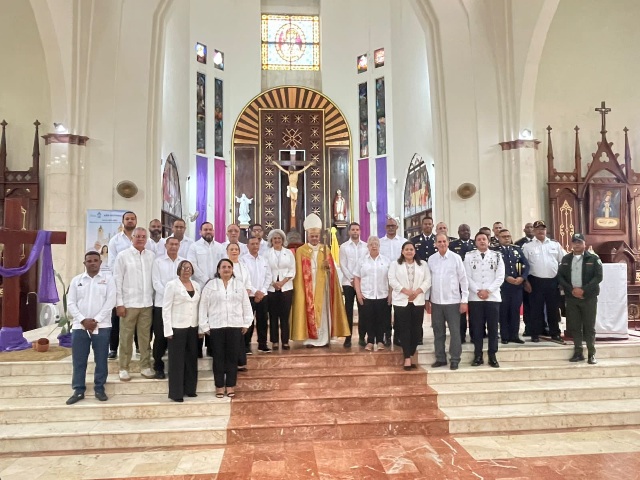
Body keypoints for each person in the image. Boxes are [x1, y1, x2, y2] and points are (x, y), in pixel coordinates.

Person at [290, 214, 350, 347]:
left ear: (319, 236)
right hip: (307, 287)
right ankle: (309, 340)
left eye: (316, 236)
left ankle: (324, 338)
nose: (314, 238)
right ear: (308, 236)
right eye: (312, 236)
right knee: (308, 310)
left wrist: (328, 267)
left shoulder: (325, 249)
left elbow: (332, 271)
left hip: (322, 287)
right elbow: (298, 273)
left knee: (322, 312)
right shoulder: (301, 251)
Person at [66, 251, 116, 405]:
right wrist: (83, 320)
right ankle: (78, 390)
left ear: (100, 263)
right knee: (79, 360)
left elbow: (111, 301)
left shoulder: (108, 280)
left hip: (102, 325)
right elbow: (71, 303)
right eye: (89, 261)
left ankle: (99, 388)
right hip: (79, 326)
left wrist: (96, 320)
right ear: (85, 263)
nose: (92, 263)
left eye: (95, 260)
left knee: (101, 359)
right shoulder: (76, 281)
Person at [200, 259, 253, 398]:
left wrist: (246, 323)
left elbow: (246, 305)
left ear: (232, 270)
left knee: (232, 358)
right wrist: (204, 325)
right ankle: (219, 386)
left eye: (229, 267)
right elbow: (203, 306)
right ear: (218, 270)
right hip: (216, 327)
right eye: (223, 267)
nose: (226, 269)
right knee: (218, 357)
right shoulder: (210, 285)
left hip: (235, 326)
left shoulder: (239, 285)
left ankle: (230, 386)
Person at [113, 227, 155, 381]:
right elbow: (117, 280)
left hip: (146, 303)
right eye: (138, 236)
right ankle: (124, 367)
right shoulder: (122, 256)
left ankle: (145, 366)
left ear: (146, 239)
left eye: (143, 236)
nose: (141, 239)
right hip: (128, 304)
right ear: (132, 238)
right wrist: (119, 303)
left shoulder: (151, 256)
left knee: (145, 338)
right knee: (126, 337)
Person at [557, 233, 603, 364]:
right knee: (575, 326)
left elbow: (598, 277)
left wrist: (584, 290)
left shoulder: (593, 258)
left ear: (584, 244)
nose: (577, 244)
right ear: (571, 244)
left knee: (589, 326)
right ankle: (578, 352)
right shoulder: (566, 259)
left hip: (588, 297)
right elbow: (560, 276)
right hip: (572, 298)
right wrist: (572, 290)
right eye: (575, 242)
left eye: (579, 242)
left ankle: (591, 353)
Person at [427, 233, 469, 370]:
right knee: (438, 332)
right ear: (435, 244)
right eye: (439, 242)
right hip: (436, 302)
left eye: (444, 241)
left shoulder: (456, 258)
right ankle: (440, 358)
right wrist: (427, 299)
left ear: (448, 242)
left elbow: (463, 280)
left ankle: (455, 359)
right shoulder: (431, 259)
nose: (442, 244)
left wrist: (464, 300)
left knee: (455, 332)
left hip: (453, 301)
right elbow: (428, 281)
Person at [163, 260, 202, 402]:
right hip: (177, 327)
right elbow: (166, 308)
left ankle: (190, 389)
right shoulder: (172, 285)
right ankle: (176, 393)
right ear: (179, 270)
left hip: (193, 326)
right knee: (176, 361)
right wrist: (168, 329)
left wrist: (201, 327)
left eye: (189, 268)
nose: (187, 270)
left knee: (191, 359)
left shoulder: (196, 285)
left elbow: (199, 307)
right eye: (184, 268)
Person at [464, 231, 505, 368]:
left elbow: (500, 276)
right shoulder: (469, 256)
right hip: (475, 297)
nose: (482, 241)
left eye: (484, 239)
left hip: (492, 297)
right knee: (477, 328)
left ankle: (492, 355)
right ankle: (478, 355)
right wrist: (478, 290)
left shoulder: (497, 256)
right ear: (475, 242)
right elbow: (466, 276)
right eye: (479, 239)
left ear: (488, 241)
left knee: (493, 328)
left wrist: (488, 291)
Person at [389, 242, 431, 369]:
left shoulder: (423, 264)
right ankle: (407, 357)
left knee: (416, 330)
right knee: (404, 329)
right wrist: (406, 291)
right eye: (406, 249)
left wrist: (417, 292)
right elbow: (392, 280)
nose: (409, 251)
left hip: (418, 300)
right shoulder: (395, 264)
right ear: (402, 251)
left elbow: (428, 280)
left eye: (411, 249)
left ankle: (411, 353)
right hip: (401, 301)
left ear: (414, 251)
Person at [523, 220, 566, 344]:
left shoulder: (554, 245)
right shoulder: (527, 246)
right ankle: (535, 333)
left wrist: (562, 279)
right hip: (535, 281)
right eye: (538, 229)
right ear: (534, 231)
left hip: (552, 281)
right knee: (535, 309)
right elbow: (524, 265)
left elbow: (564, 260)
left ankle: (555, 333)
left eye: (543, 229)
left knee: (553, 309)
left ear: (546, 231)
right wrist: (525, 281)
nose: (540, 231)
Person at [151, 237, 184, 379]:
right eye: (171, 244)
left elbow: (186, 281)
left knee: (176, 336)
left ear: (179, 246)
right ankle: (158, 366)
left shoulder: (183, 262)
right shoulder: (158, 262)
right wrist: (170, 295)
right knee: (160, 336)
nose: (174, 247)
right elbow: (156, 282)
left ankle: (174, 368)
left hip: (178, 306)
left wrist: (177, 296)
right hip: (161, 304)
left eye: (176, 244)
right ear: (166, 246)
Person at [107, 211, 138, 359]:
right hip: (120, 283)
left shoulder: (141, 238)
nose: (130, 221)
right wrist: (120, 279)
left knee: (138, 317)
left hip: (138, 284)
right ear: (123, 221)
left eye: (132, 219)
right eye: (127, 219)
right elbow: (112, 263)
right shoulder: (115, 241)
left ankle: (139, 348)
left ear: (136, 221)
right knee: (116, 318)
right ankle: (113, 348)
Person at [354, 236, 391, 351]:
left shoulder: (386, 261)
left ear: (379, 246)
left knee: (381, 319)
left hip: (382, 294)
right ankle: (370, 341)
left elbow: (391, 279)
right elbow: (356, 278)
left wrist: (390, 294)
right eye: (371, 244)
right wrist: (358, 293)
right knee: (368, 319)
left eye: (376, 244)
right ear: (368, 246)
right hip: (367, 295)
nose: (374, 246)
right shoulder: (362, 261)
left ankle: (380, 341)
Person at [496, 229, 529, 345]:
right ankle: (505, 336)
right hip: (503, 286)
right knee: (504, 311)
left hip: (517, 286)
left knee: (515, 310)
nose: (506, 238)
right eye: (503, 236)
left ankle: (514, 335)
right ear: (498, 238)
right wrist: (506, 277)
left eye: (508, 236)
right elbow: (494, 268)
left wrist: (522, 277)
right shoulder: (495, 251)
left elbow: (526, 265)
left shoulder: (517, 249)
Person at [265, 229, 296, 350]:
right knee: (273, 316)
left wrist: (282, 282)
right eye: (275, 238)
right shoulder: (266, 253)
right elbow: (265, 270)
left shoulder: (288, 253)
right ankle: (274, 341)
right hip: (271, 288)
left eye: (279, 238)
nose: (277, 240)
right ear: (271, 240)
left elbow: (292, 270)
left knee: (284, 316)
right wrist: (273, 283)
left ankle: (285, 341)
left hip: (286, 288)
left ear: (283, 240)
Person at [339, 222, 368, 347]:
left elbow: (366, 264)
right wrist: (352, 279)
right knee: (348, 311)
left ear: (360, 231)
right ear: (349, 232)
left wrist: (359, 280)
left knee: (363, 310)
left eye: (357, 229)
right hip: (348, 283)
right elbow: (342, 264)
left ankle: (362, 337)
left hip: (362, 283)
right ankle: (348, 338)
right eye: (353, 230)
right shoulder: (344, 247)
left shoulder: (366, 246)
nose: (355, 231)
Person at [241, 237, 272, 353]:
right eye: (252, 244)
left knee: (263, 320)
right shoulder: (243, 260)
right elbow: (245, 278)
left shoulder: (264, 260)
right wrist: (255, 291)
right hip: (249, 295)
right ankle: (246, 345)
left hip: (263, 295)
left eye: (257, 244)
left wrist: (262, 291)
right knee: (249, 321)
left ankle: (262, 344)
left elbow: (268, 276)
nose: (255, 246)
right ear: (247, 246)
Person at [449, 224, 476, 343]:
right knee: (460, 311)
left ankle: (475, 335)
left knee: (475, 311)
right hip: (458, 282)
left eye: (467, 230)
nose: (466, 232)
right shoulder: (452, 245)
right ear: (458, 232)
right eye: (463, 230)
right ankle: (461, 336)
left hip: (474, 282)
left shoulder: (475, 244)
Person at [380, 216, 404, 346]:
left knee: (399, 310)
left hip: (400, 281)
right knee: (385, 311)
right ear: (385, 227)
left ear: (397, 227)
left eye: (393, 226)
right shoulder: (380, 242)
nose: (390, 228)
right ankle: (387, 335)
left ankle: (398, 336)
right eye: (388, 226)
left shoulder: (403, 242)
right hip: (384, 281)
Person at [187, 222, 225, 289]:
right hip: (199, 285)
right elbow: (192, 265)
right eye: (205, 230)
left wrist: (218, 279)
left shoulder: (220, 247)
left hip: (218, 284)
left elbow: (224, 264)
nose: (208, 231)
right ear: (200, 232)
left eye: (210, 229)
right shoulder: (194, 246)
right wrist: (206, 280)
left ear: (213, 231)